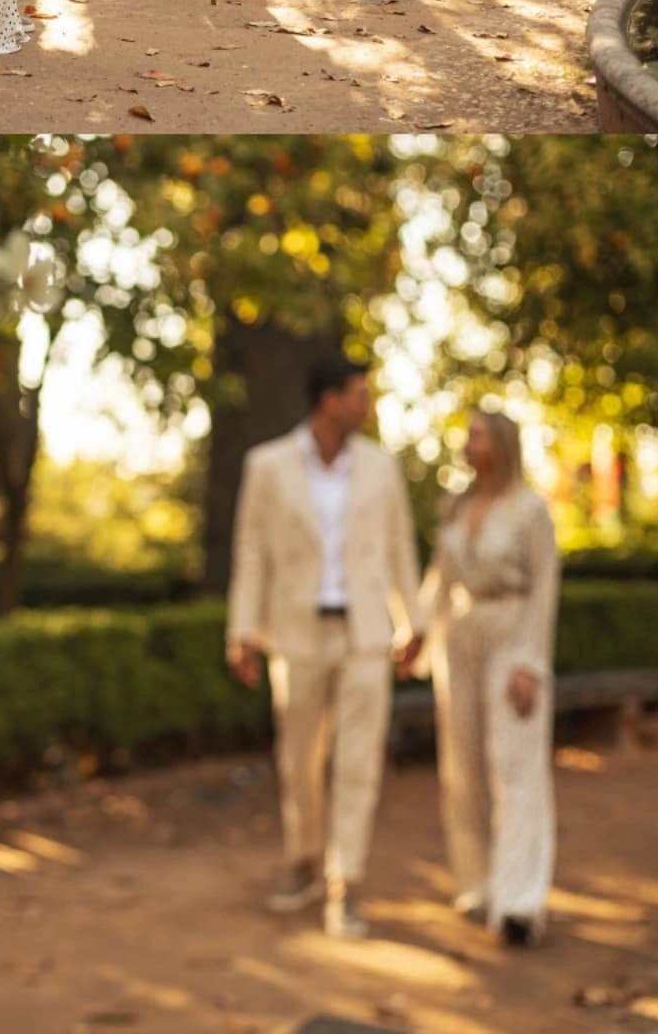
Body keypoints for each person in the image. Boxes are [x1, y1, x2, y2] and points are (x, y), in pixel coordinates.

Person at [226, 353, 425, 940]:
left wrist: (412, 622)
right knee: (300, 760)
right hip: (297, 634)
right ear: (329, 400)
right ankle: (305, 859)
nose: (368, 405)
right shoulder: (267, 466)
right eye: (360, 394)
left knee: (358, 762)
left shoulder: (381, 468)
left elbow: (399, 548)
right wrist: (242, 632)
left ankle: (347, 884)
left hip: (365, 635)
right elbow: (251, 553)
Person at [419, 409, 560, 947]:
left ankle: (520, 900)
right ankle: (476, 883)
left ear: (501, 443)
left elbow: (544, 590)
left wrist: (529, 664)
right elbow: (439, 580)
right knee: (463, 764)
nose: (467, 442)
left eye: (476, 434)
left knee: (515, 765)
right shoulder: (456, 507)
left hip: (512, 633)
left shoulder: (530, 510)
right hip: (460, 641)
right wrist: (414, 635)